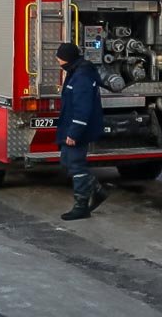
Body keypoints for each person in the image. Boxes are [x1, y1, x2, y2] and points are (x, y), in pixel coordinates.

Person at [56, 42, 108, 221]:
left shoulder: (81, 76)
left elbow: (82, 109)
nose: (58, 61)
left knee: (76, 164)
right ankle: (97, 190)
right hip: (71, 128)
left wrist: (74, 133)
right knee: (67, 161)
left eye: (59, 58)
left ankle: (82, 206)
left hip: (78, 130)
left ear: (67, 59)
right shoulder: (76, 72)